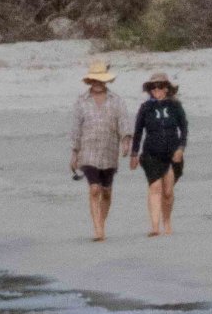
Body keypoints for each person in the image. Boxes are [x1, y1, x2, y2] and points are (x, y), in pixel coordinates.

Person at [65, 62, 127, 241]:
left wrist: (126, 140)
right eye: (94, 79)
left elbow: (123, 122)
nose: (97, 83)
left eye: (100, 79)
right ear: (90, 80)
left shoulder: (117, 101)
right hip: (88, 151)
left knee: (106, 191)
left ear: (105, 81)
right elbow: (76, 128)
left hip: (109, 151)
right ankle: (98, 229)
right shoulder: (81, 101)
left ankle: (101, 223)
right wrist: (74, 153)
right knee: (94, 189)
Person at [129, 73, 189, 238]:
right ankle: (155, 226)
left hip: (172, 153)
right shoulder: (145, 107)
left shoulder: (175, 106)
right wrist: (134, 154)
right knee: (155, 188)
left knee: (168, 192)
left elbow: (184, 128)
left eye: (160, 86)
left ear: (167, 88)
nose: (157, 90)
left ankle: (167, 222)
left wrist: (181, 148)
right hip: (151, 154)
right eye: (153, 87)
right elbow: (138, 131)